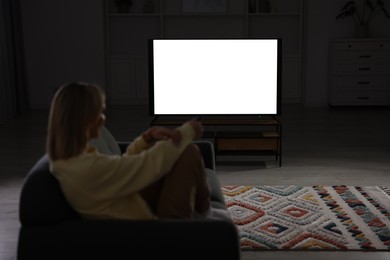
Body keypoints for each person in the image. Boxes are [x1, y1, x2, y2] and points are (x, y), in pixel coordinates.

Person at [47, 81, 231, 221]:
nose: (103, 119)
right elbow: (146, 165)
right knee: (188, 151)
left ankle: (203, 211)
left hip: (129, 200)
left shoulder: (72, 159)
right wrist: (188, 131)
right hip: (146, 226)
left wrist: (147, 139)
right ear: (84, 119)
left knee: (177, 149)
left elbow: (121, 167)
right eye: (99, 113)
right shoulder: (86, 168)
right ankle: (203, 215)